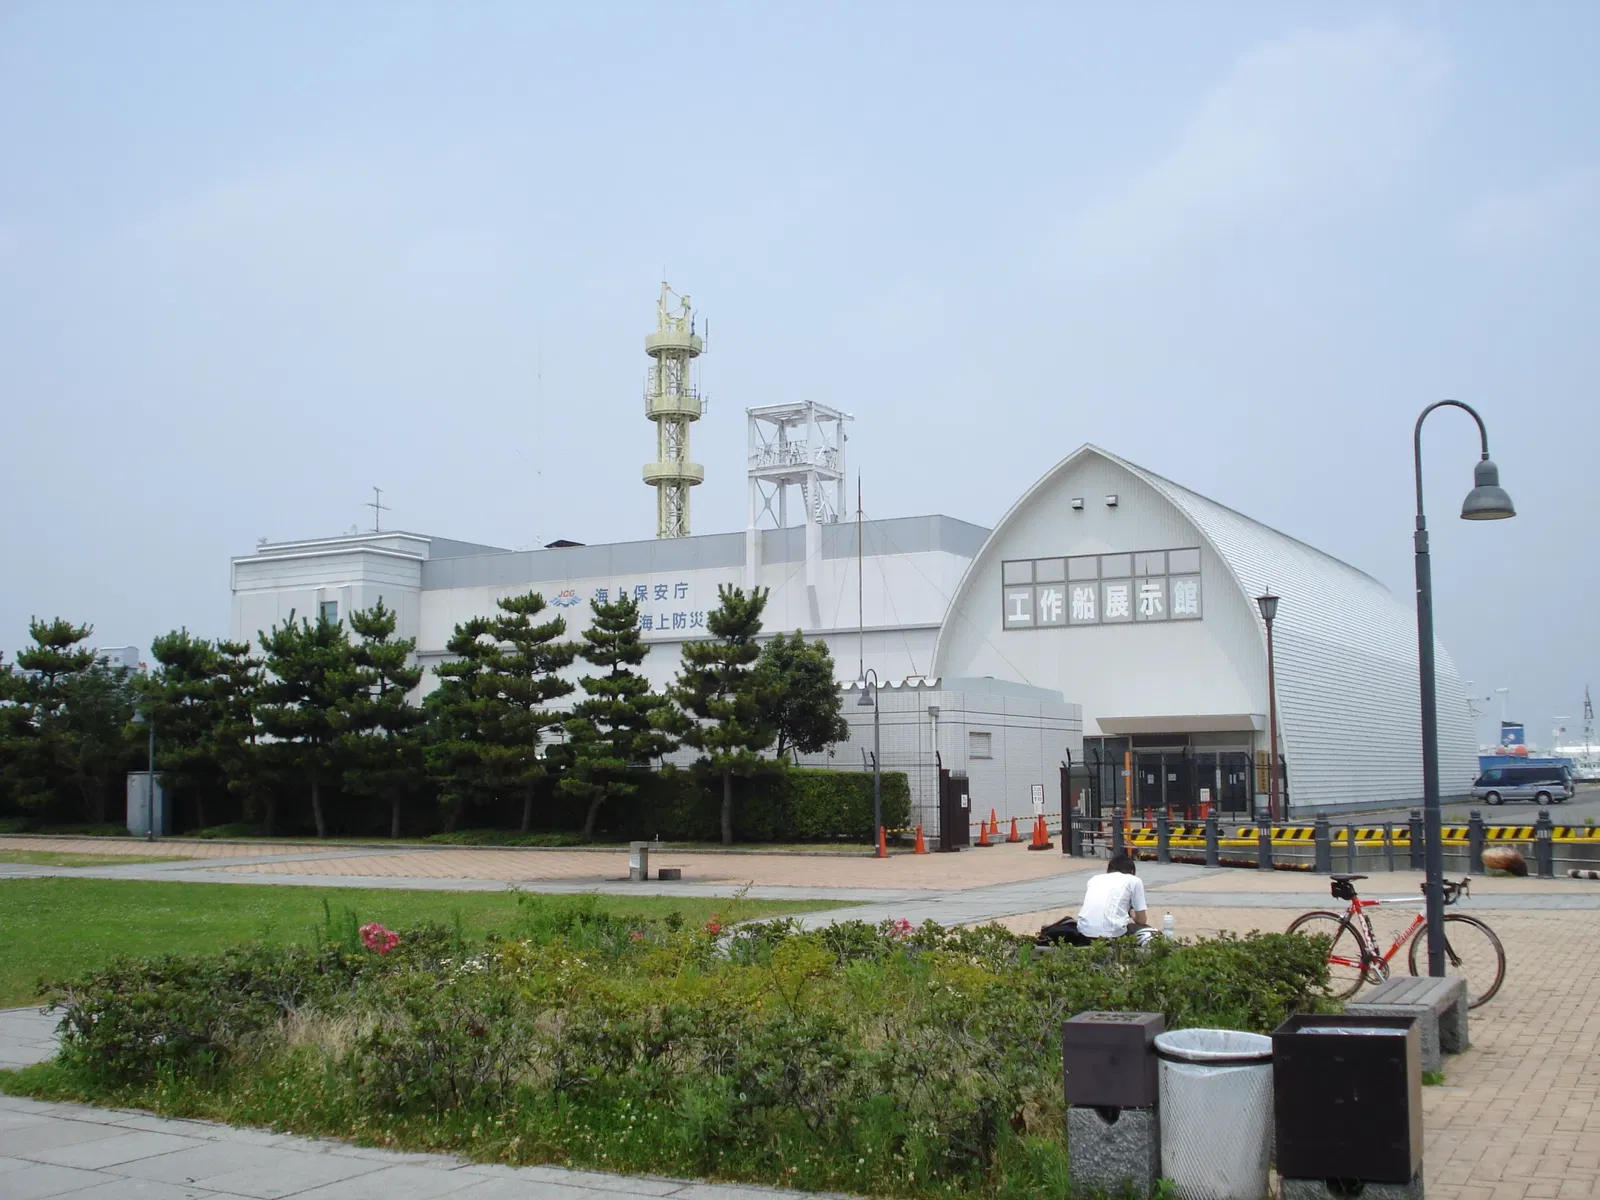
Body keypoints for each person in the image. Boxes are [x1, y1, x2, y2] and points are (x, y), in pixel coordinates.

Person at [1076, 853, 1155, 945]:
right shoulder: (1134, 880)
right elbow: (1142, 920)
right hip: (1113, 935)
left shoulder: (1094, 879)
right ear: (1132, 870)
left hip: (1084, 932)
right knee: (1147, 931)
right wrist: (1132, 915)